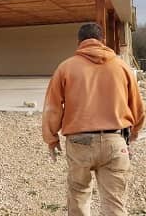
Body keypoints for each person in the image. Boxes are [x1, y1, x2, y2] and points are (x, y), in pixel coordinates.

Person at [42, 22, 145, 216]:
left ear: (79, 42)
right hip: (115, 141)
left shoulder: (66, 68)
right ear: (102, 41)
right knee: (114, 204)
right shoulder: (121, 66)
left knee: (79, 196)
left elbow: (52, 108)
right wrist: (134, 133)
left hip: (79, 142)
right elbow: (138, 107)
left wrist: (51, 139)